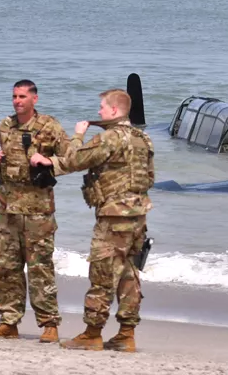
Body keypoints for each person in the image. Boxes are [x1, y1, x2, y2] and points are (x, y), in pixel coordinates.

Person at [59, 88, 154, 352]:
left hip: (114, 216)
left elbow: (73, 159)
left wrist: (78, 134)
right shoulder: (143, 138)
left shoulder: (110, 137)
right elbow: (150, 177)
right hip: (138, 214)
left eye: (102, 107)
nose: (99, 111)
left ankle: (92, 333)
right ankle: (127, 333)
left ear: (114, 110)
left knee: (101, 275)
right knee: (129, 275)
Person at [0, 80, 70, 344]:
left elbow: (72, 158)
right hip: (6, 210)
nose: (17, 101)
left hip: (37, 212)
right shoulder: (5, 125)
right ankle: (9, 322)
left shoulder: (49, 126)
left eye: (22, 96)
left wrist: (48, 161)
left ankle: (49, 323)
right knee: (6, 267)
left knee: (40, 267)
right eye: (14, 97)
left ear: (34, 99)